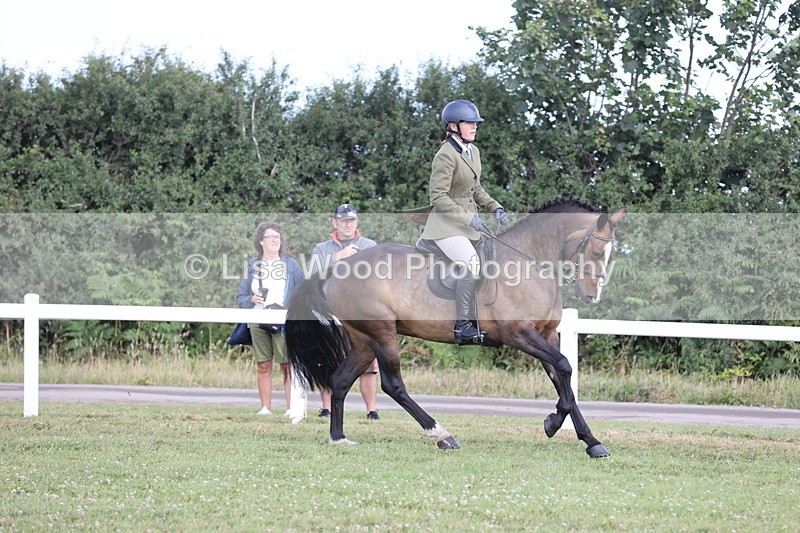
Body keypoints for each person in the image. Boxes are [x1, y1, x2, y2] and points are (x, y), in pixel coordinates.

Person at [417, 99, 509, 345]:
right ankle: (463, 327)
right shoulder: (445, 155)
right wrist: (470, 217)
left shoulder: (472, 151)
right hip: (445, 227)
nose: (474, 127)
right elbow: (438, 197)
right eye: (469, 123)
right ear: (453, 126)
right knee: (471, 264)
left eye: (475, 123)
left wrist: (494, 206)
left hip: (466, 227)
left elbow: (475, 189)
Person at [311, 203, 380, 420]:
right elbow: (312, 275)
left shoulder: (369, 245)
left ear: (357, 222)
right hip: (329, 310)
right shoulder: (322, 248)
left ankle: (372, 410)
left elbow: (378, 275)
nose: (348, 225)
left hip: (360, 312)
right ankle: (326, 407)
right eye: (343, 221)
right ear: (335, 223)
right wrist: (337, 258)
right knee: (327, 359)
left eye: (351, 220)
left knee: (367, 363)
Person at [235, 221, 305, 416]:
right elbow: (240, 296)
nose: (275, 240)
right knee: (263, 364)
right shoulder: (252, 265)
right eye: (270, 237)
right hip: (258, 319)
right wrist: (251, 298)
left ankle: (292, 408)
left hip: (283, 320)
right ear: (261, 241)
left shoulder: (291, 265)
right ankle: (266, 408)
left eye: (277, 237)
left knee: (287, 365)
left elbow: (303, 291)